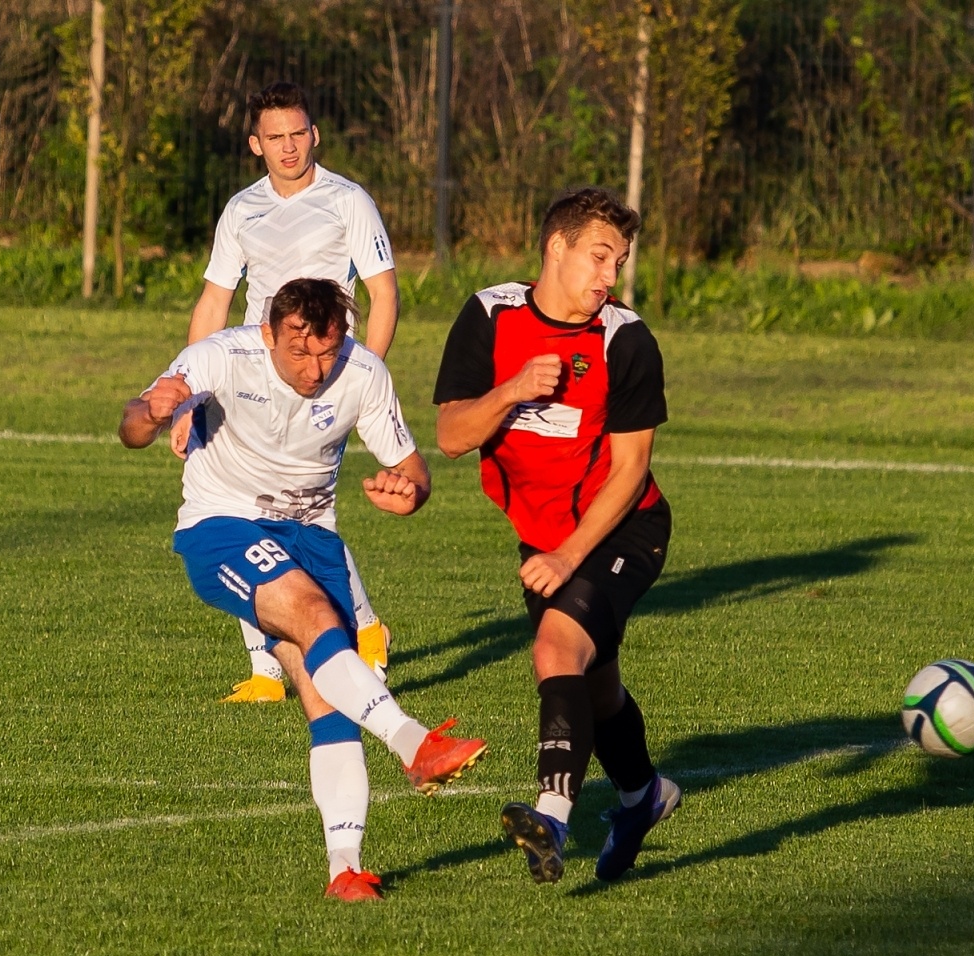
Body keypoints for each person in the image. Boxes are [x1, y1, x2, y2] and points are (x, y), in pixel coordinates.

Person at [121, 278, 486, 901]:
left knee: (329, 700)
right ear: (269, 333)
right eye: (299, 351)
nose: (315, 368)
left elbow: (412, 466)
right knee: (317, 616)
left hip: (312, 537)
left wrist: (410, 493)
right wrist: (152, 411)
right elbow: (132, 426)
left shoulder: (362, 372)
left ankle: (345, 870)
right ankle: (415, 742)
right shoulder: (222, 356)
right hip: (222, 525)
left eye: (327, 351)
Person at [432, 187, 680, 884]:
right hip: (543, 540)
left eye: (620, 261)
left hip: (625, 526)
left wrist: (571, 554)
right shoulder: (490, 314)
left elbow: (631, 471)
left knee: (555, 645)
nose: (610, 276)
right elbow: (452, 436)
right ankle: (643, 797)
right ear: (557, 247)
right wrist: (510, 389)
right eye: (600, 256)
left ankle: (552, 814)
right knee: (595, 692)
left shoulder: (624, 339)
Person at [184, 81, 401, 703]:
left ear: (315, 135)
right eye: (274, 137)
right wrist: (190, 391)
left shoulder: (346, 201)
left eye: (297, 134)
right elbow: (215, 301)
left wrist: (361, 379)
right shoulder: (241, 209)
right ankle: (265, 671)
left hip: (320, 375)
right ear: (255, 144)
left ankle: (361, 627)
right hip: (252, 375)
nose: (288, 147)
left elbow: (384, 294)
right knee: (234, 507)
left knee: (303, 512)